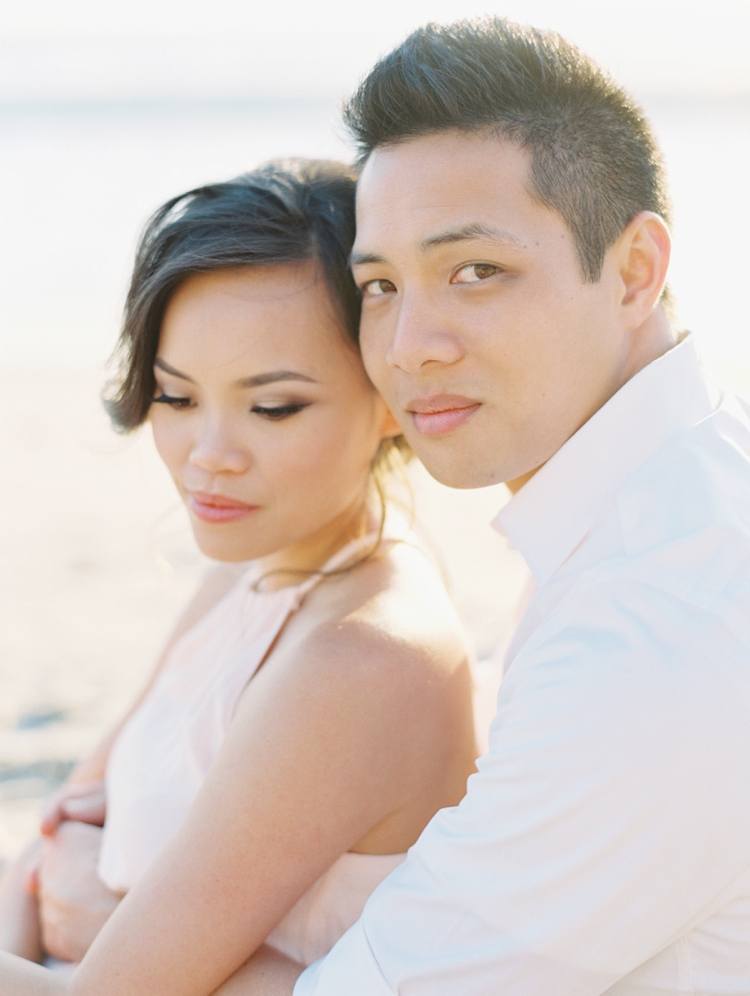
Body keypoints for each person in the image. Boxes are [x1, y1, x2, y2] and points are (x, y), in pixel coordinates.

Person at [197, 17, 750, 996]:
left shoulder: (653, 625)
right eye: (379, 284)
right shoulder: (681, 493)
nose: (410, 345)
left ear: (634, 270)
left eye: (475, 272)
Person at [0, 159, 478, 995]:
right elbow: (51, 843)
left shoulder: (363, 658)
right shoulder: (252, 572)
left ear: (386, 397)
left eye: (273, 407)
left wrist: (104, 914)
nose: (207, 457)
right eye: (176, 396)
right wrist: (56, 895)